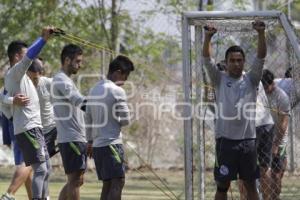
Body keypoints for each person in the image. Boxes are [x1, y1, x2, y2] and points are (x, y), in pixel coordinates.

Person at [202, 20, 266, 200]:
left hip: (248, 142)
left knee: (251, 186)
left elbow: (261, 57)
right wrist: (207, 37)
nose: (236, 64)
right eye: (232, 61)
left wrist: (261, 33)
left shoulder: (252, 79)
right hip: (226, 143)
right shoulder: (219, 79)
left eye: (239, 60)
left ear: (244, 62)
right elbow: (206, 59)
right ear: (227, 62)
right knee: (222, 187)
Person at [4, 27, 54, 200]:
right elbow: (32, 54)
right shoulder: (15, 72)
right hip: (28, 128)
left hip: (34, 128)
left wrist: (9, 100)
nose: (29, 59)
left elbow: (2, 96)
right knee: (40, 169)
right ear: (17, 57)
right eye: (24, 55)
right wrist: (43, 39)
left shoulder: (19, 76)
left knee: (46, 169)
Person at [86, 55, 134, 200]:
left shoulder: (93, 90)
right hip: (112, 144)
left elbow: (87, 119)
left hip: (98, 146)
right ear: (118, 72)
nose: (125, 81)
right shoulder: (117, 91)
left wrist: (89, 141)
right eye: (125, 76)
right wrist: (115, 121)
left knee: (107, 184)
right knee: (118, 182)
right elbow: (125, 120)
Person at [51, 44, 87, 200]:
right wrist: (103, 108)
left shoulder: (65, 80)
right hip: (71, 137)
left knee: (77, 180)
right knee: (75, 180)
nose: (80, 65)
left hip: (75, 137)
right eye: (77, 61)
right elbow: (80, 102)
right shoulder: (61, 80)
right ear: (67, 60)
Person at [262, 69, 290, 200]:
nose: (266, 91)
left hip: (279, 138)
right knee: (261, 173)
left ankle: (275, 196)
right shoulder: (259, 94)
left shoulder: (281, 96)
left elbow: (283, 124)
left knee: (276, 175)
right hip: (262, 138)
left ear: (272, 83)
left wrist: (276, 144)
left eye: (267, 87)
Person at [26, 59, 58, 158]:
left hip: (53, 128)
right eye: (29, 79)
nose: (32, 83)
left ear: (41, 74)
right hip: (36, 131)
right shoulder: (23, 86)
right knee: (42, 165)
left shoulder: (49, 83)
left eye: (35, 79)